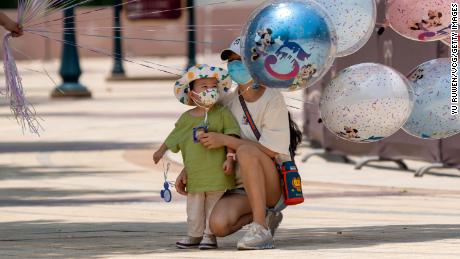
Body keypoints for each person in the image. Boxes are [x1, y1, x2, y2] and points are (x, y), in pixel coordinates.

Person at [174, 38, 303, 250]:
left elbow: (270, 150)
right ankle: (268, 216)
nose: (235, 65)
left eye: (241, 60)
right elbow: (206, 139)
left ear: (258, 64)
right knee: (218, 225)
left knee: (245, 152)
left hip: (271, 183)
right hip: (238, 186)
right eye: (231, 61)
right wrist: (187, 170)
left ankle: (261, 228)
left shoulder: (272, 99)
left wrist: (226, 140)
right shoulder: (226, 101)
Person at [153, 64, 241, 250]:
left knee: (213, 206)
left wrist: (230, 157)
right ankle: (194, 234)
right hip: (195, 174)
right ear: (192, 93)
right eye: (204, 87)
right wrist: (160, 151)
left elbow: (232, 135)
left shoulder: (222, 113)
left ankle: (209, 235)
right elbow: (174, 137)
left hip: (217, 173)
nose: (210, 90)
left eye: (213, 87)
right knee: (193, 208)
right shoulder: (186, 119)